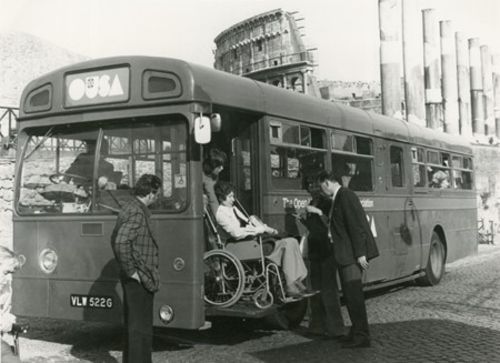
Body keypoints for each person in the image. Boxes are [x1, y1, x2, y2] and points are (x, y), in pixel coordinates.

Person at [214, 180, 312, 298]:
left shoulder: (233, 209)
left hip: (248, 243)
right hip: (238, 246)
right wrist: (257, 230)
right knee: (286, 243)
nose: (233, 199)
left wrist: (261, 226)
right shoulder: (221, 213)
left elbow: (247, 224)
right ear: (221, 197)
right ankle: (290, 284)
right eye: (230, 197)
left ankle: (297, 280)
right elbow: (236, 233)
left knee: (293, 241)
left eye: (233, 196)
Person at [317, 169, 379, 348]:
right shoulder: (340, 196)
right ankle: (356, 331)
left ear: (327, 182)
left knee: (354, 296)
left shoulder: (345, 196)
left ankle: (362, 336)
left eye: (322, 186)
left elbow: (356, 225)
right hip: (346, 255)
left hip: (351, 256)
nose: (322, 190)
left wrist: (360, 254)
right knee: (350, 295)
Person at [111, 174, 162, 363]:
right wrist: (132, 271)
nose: (157, 199)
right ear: (150, 193)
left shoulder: (129, 207)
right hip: (139, 277)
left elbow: (116, 239)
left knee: (135, 328)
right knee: (140, 330)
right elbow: (120, 242)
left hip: (137, 275)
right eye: (156, 194)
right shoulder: (137, 211)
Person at [300, 188, 346, 339]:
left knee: (329, 290)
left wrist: (318, 213)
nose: (310, 189)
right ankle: (317, 327)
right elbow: (315, 227)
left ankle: (336, 329)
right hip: (315, 250)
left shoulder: (328, 203)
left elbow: (331, 224)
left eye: (313, 185)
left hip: (326, 250)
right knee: (316, 290)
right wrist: (303, 220)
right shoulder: (314, 202)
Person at [0, 246, 25, 363]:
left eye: (11, 273)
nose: (9, 278)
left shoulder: (5, 288)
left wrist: (8, 318)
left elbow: (4, 312)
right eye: (6, 272)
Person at [202, 148, 227, 216]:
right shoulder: (206, 179)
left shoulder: (215, 174)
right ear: (212, 166)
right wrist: (219, 217)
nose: (222, 168)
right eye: (219, 167)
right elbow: (212, 199)